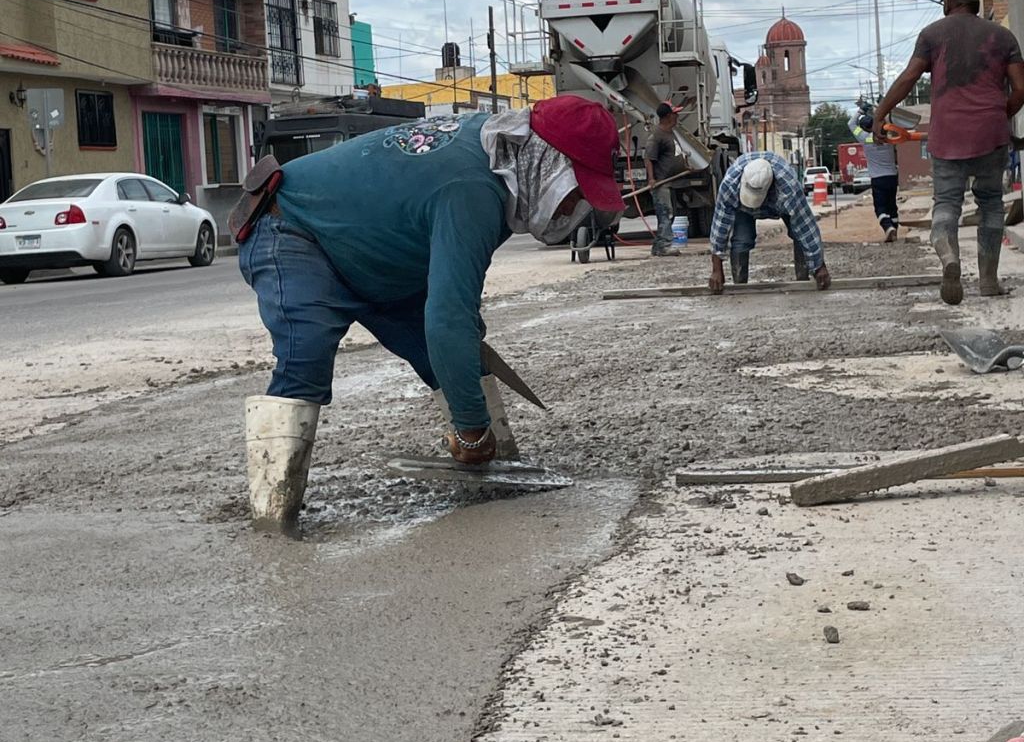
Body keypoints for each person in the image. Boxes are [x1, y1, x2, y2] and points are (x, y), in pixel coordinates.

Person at [238, 94, 624, 523]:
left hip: (375, 259)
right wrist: (472, 432)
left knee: (456, 354)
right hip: (292, 229)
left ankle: (502, 470)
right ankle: (273, 513)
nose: (573, 207)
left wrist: (463, 353)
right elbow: (447, 318)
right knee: (305, 357)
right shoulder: (474, 188)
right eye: (575, 190)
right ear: (547, 164)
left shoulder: (498, 157)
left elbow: (453, 308)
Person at [874, 0, 1024, 305]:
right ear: (975, 2)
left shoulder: (932, 35)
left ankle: (948, 257)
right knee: (991, 205)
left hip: (948, 137)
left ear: (950, 1)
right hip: (991, 135)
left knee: (946, 205)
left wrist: (880, 111)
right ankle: (987, 282)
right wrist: (1002, 114)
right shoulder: (1003, 37)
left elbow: (909, 77)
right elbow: (1021, 88)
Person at [708, 150, 831, 294]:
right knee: (742, 240)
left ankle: (802, 283)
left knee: (798, 235)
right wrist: (716, 270)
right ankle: (740, 287)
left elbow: (805, 228)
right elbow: (720, 226)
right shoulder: (730, 184)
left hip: (777, 198)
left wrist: (819, 266)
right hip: (742, 207)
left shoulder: (788, 187)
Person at [849, 106, 900, 241]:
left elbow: (851, 124)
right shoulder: (887, 136)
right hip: (892, 177)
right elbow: (891, 124)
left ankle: (888, 227)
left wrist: (861, 110)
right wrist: (881, 108)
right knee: (892, 204)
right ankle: (895, 228)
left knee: (880, 206)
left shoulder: (865, 138)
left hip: (878, 178)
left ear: (864, 128)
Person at [645, 101, 683, 257]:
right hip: (661, 183)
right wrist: (652, 179)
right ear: (668, 116)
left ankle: (659, 245)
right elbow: (648, 158)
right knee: (665, 214)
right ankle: (664, 246)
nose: (677, 116)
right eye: (675, 113)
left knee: (670, 214)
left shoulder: (670, 132)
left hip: (670, 182)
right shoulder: (657, 136)